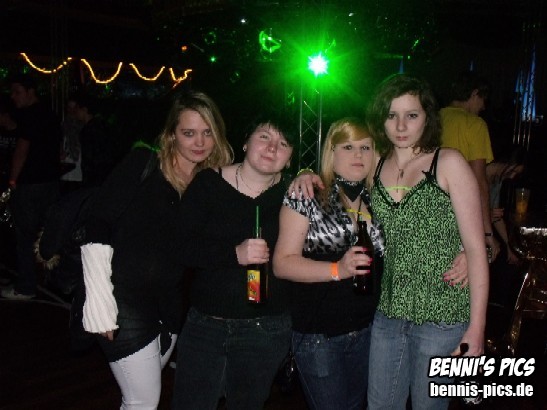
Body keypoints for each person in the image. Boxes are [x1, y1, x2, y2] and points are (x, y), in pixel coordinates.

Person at [80, 90, 233, 409]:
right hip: (123, 298)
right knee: (143, 401)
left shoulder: (210, 182)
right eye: (189, 133)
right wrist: (99, 298)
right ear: (171, 134)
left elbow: (258, 179)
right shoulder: (144, 162)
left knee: (137, 399)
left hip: (168, 305)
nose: (200, 142)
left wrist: (303, 175)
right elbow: (97, 220)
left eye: (207, 133)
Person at [366, 74, 488, 410]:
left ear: (427, 117)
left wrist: (477, 329)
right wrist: (304, 174)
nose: (400, 125)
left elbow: (476, 250)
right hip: (389, 312)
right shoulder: (375, 162)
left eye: (411, 115)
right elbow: (334, 167)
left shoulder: (448, 162)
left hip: (443, 317)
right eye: (391, 115)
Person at [172, 113, 295, 410]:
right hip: (207, 324)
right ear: (245, 143)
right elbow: (179, 246)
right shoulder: (208, 183)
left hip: (266, 328)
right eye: (264, 136)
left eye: (283, 143)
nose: (272, 147)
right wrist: (233, 254)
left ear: (290, 158)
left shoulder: (294, 193)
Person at [273, 118, 384, 410]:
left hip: (369, 330)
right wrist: (338, 270)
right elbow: (282, 263)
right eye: (348, 147)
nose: (358, 155)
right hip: (319, 335)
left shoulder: (379, 199)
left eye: (365, 147)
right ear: (331, 152)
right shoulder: (308, 195)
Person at [1, 74, 62, 300]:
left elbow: (22, 150)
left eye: (17, 92)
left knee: (25, 237)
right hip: (50, 183)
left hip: (30, 185)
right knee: (49, 233)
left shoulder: (30, 116)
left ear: (30, 92)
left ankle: (26, 286)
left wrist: (12, 181)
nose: (14, 97)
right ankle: (54, 281)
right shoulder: (51, 114)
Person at [441, 71, 500, 262]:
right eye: (483, 100)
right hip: (460, 218)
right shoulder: (474, 124)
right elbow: (479, 181)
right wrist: (487, 232)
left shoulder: (431, 119)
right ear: (474, 94)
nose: (483, 107)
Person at [70, 91, 114, 187]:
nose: (75, 112)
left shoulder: (88, 130)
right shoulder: (102, 126)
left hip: (94, 175)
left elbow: (89, 156)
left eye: (77, 108)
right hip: (105, 172)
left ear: (84, 110)